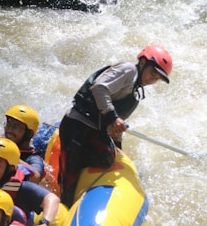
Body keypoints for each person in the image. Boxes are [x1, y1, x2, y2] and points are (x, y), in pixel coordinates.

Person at [58, 45, 173, 207]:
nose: (152, 80)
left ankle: (83, 189)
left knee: (107, 157)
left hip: (93, 131)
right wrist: (113, 116)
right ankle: (64, 203)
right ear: (142, 62)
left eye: (157, 79)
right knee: (70, 180)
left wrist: (118, 146)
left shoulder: (135, 94)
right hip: (76, 126)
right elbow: (99, 87)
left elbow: (116, 125)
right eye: (152, 73)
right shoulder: (128, 70)